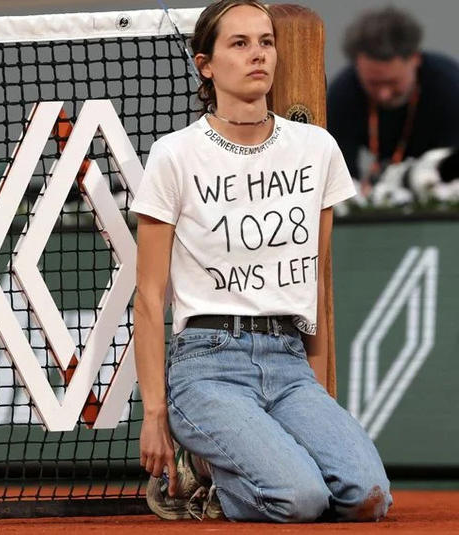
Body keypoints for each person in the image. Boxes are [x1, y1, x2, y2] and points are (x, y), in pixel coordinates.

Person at [131, 0, 392, 523]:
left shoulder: (316, 149)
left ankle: (235, 471)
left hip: (288, 362)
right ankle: (203, 478)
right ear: (205, 64)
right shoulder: (175, 155)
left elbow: (314, 279)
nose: (258, 55)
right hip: (207, 367)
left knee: (368, 495)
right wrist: (155, 414)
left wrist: (317, 392)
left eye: (266, 42)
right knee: (301, 500)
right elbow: (148, 296)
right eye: (240, 43)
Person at [327, 6, 459, 195]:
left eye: (392, 82)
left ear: (415, 59)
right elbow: (340, 177)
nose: (384, 94)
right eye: (373, 83)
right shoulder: (343, 93)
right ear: (357, 66)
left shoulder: (450, 88)